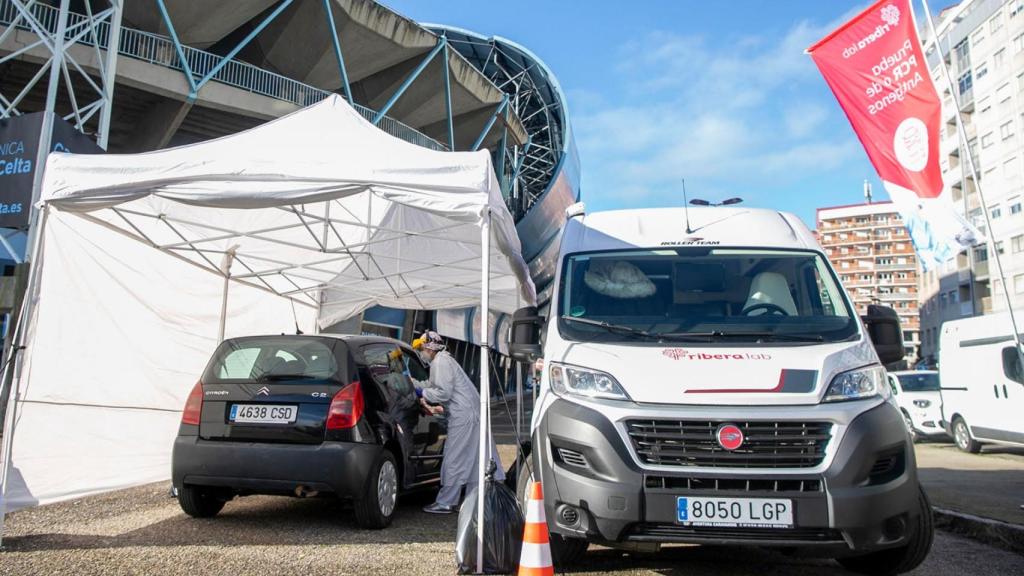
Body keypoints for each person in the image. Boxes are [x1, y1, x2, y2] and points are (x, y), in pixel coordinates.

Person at [412, 330, 504, 514]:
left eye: (422, 348)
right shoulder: (443, 361)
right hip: (471, 415)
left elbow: (443, 392)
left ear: (430, 348)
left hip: (464, 417)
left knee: (454, 458)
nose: (421, 353)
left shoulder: (441, 362)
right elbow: (435, 387)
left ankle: (446, 502)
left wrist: (421, 393)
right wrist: (415, 384)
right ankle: (475, 502)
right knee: (474, 460)